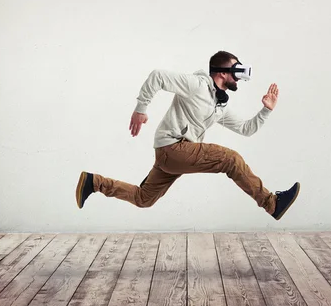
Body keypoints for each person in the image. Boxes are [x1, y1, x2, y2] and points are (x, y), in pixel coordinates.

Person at [75, 51, 300, 220]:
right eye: (236, 70)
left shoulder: (219, 105)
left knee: (144, 198)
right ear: (223, 72)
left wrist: (266, 110)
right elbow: (158, 76)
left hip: (172, 155)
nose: (239, 77)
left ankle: (94, 183)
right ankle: (272, 204)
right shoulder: (198, 85)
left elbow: (246, 129)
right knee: (231, 160)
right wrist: (140, 109)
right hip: (173, 148)